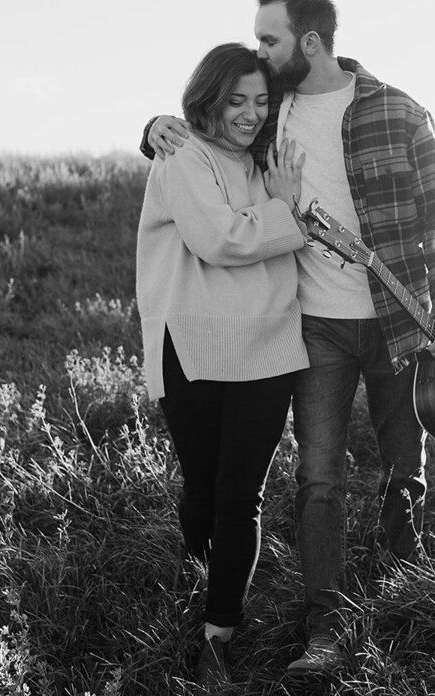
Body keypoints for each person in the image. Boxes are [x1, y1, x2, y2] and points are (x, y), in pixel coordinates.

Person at [142, 0, 435, 675]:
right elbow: (208, 135)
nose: (260, 55)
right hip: (312, 325)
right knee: (317, 480)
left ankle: (400, 595)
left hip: (395, 321)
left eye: (269, 39)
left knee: (401, 472)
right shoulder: (273, 114)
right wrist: (152, 128)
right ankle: (326, 625)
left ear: (311, 42)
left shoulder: (398, 113)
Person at [135, 42, 310, 688]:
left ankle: (219, 631)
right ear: (206, 98)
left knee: (242, 496)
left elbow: (255, 230)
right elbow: (219, 240)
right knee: (202, 489)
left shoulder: (266, 161)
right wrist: (284, 212)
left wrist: (279, 205)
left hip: (267, 347)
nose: (249, 113)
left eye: (261, 102)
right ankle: (200, 578)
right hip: (198, 347)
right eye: (236, 100)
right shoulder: (180, 155)